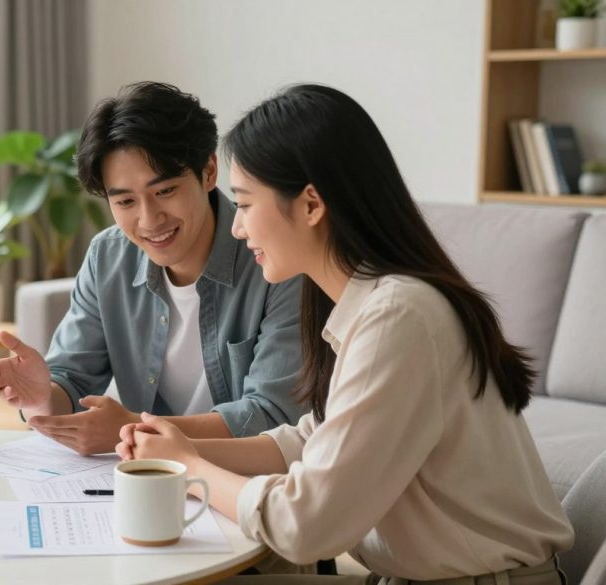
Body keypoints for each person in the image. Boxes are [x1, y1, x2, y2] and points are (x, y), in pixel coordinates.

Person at [117, 84, 574, 582]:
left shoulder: (400, 316)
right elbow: (311, 440)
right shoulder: (370, 304)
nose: (237, 228)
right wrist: (178, 448)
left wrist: (191, 468)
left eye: (245, 205)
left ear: (311, 204)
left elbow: (306, 525)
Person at [0, 82, 305, 455]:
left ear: (208, 171)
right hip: (144, 477)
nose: (149, 220)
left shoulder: (276, 259)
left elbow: (275, 415)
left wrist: (132, 429)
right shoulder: (108, 257)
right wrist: (42, 396)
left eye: (165, 192)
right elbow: (72, 382)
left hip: (244, 480)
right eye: (125, 200)